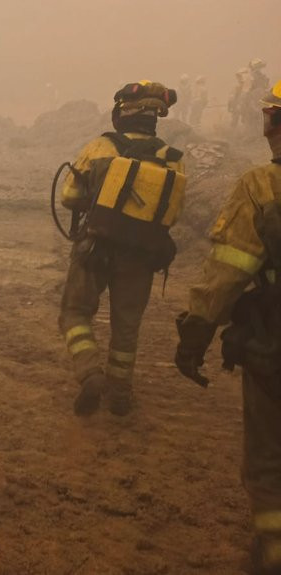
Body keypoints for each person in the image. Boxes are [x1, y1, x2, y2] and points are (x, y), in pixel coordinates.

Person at [175, 80, 281, 575]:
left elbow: (228, 271)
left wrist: (196, 333)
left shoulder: (262, 186)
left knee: (267, 462)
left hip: (273, 347)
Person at [58, 81, 185, 417]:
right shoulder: (172, 159)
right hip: (141, 257)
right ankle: (120, 395)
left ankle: (89, 372)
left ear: (123, 112)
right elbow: (171, 213)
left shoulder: (100, 147)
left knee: (75, 312)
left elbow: (68, 197)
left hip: (95, 248)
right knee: (126, 328)